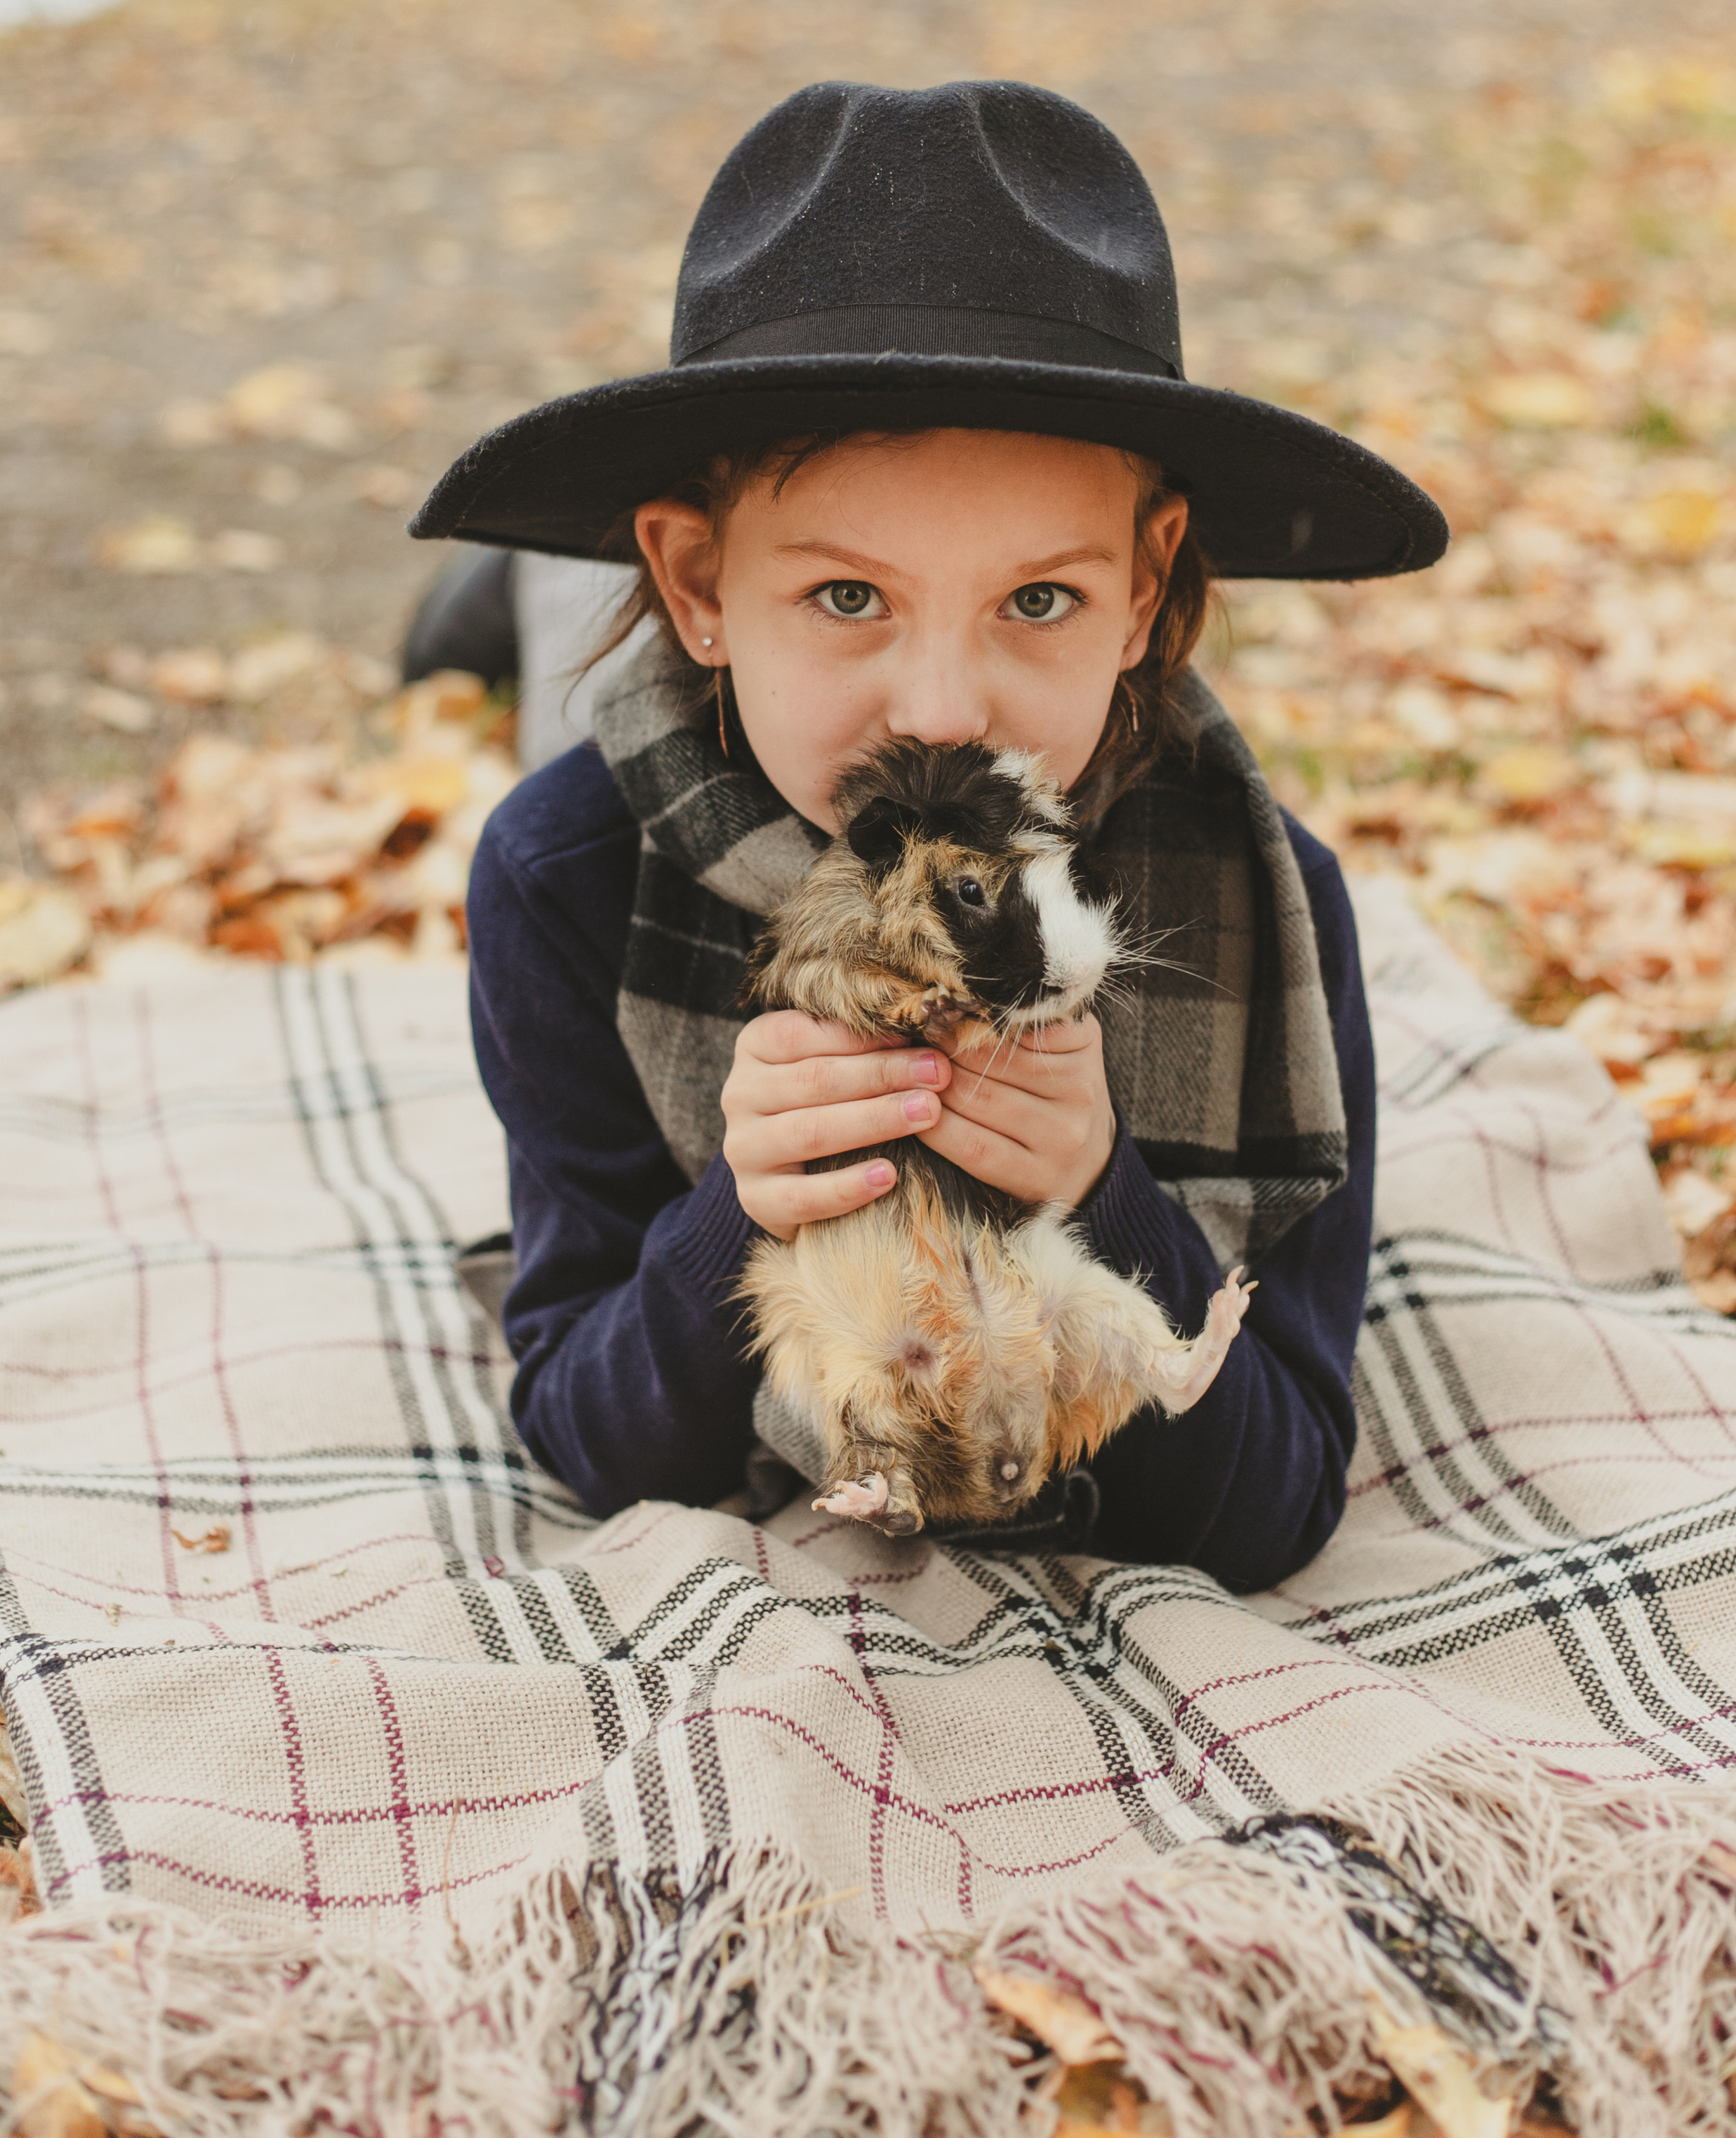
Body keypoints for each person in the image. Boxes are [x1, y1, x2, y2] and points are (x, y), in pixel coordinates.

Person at [413, 79, 1446, 1592]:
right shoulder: (561, 875)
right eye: (846, 597)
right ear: (698, 580)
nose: (948, 711)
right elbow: (589, 1437)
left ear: (1146, 589)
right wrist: (734, 1217)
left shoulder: (1263, 898)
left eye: (1039, 600)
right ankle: (498, 602)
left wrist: (1105, 1194)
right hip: (638, 741)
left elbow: (1271, 1504)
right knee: (546, 654)